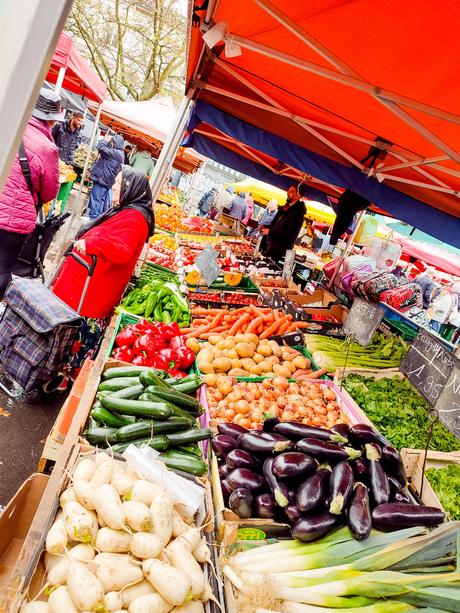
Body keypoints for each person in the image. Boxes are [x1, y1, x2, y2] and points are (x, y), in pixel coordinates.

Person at [52, 166, 155, 376]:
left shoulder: (136, 218)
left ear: (131, 188)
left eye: (118, 184)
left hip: (92, 293)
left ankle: (62, 378)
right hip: (84, 288)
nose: (114, 187)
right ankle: (57, 373)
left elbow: (123, 251)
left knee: (74, 343)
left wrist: (92, 244)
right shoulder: (127, 210)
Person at [0, 88, 60, 298]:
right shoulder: (48, 148)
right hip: (14, 221)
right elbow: (50, 191)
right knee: (3, 268)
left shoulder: (6, 125)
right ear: (51, 120)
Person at [263, 183, 307, 260]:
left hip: (279, 250)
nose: (288, 193)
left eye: (292, 191)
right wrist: (266, 227)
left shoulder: (298, 213)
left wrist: (270, 232)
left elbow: (290, 233)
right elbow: (275, 225)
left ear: (299, 195)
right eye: (288, 191)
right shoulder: (284, 208)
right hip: (270, 245)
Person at [87, 134, 124, 219]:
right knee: (101, 200)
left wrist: (105, 140)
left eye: (113, 141)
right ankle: (95, 218)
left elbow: (101, 148)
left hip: (103, 178)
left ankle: (92, 217)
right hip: (107, 179)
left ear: (115, 142)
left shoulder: (115, 153)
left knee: (96, 198)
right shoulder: (119, 153)